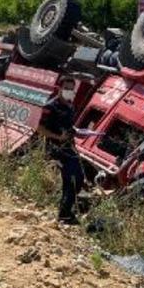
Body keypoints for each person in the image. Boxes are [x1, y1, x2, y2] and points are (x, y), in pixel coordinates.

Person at [37, 76, 85, 224]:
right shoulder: (50, 107)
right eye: (67, 88)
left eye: (72, 89)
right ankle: (64, 214)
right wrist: (58, 137)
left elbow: (69, 125)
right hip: (56, 148)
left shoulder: (70, 106)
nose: (69, 92)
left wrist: (75, 132)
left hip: (69, 147)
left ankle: (66, 210)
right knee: (71, 179)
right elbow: (40, 128)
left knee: (79, 178)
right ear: (59, 88)